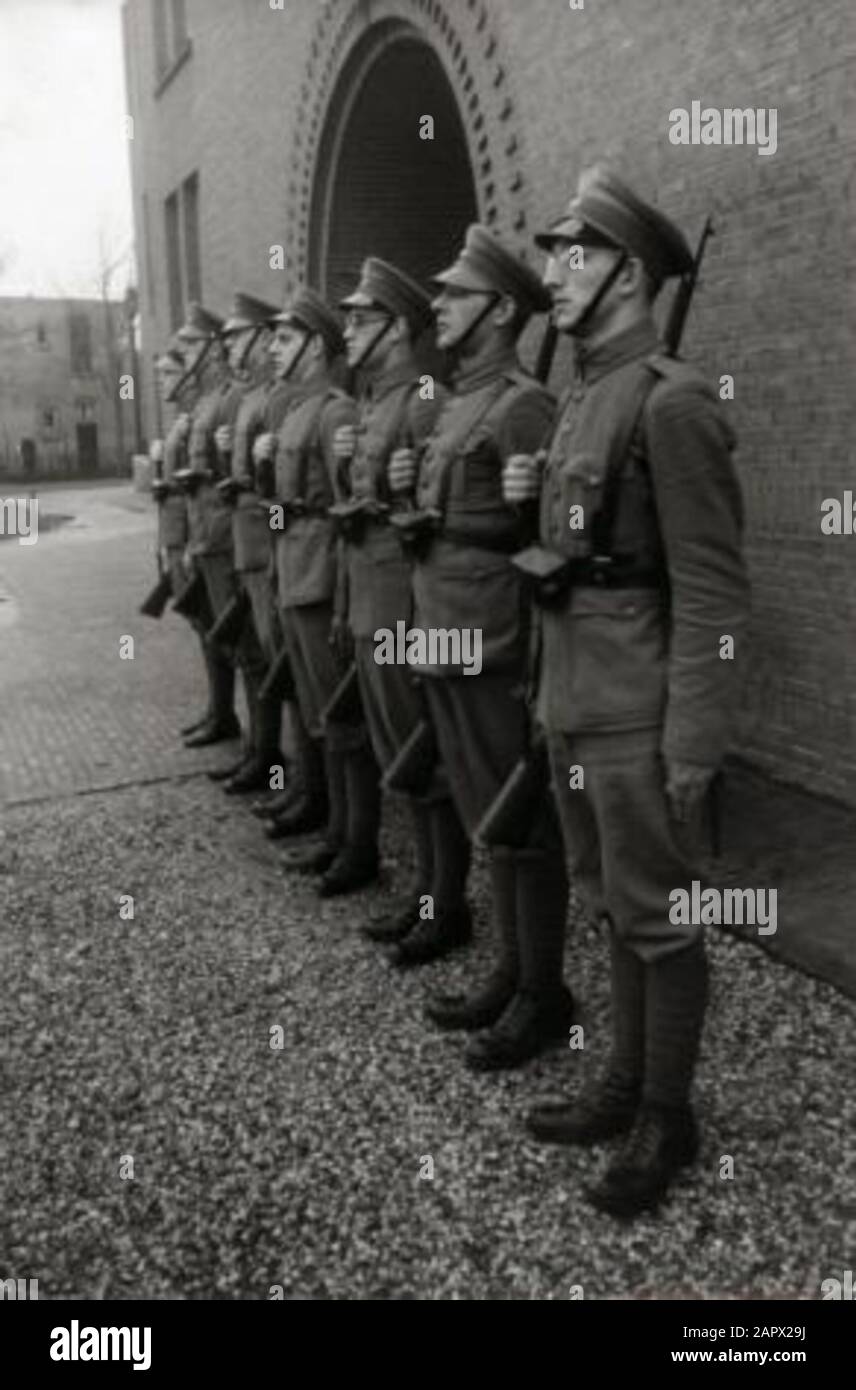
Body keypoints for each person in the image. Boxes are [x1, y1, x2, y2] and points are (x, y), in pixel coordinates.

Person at [509, 168, 748, 1215]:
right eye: (553, 251)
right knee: (610, 904)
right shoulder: (584, 393)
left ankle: (668, 1115)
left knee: (661, 917)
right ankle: (620, 1084)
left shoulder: (673, 400)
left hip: (638, 711)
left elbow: (712, 587)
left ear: (631, 271)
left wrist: (694, 738)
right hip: (571, 700)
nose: (553, 272)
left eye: (576, 253)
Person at [388, 225, 576, 1067]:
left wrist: (526, 504)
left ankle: (543, 990)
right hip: (443, 629)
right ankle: (510, 971)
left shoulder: (524, 404)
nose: (439, 305)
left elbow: (558, 537)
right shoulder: (461, 399)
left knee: (521, 819)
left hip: (493, 638)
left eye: (456, 295)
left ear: (500, 309)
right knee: (484, 813)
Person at [332, 257, 465, 938]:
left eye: (360, 320)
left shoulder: (422, 398)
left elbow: (438, 512)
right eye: (349, 320)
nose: (348, 331)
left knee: (422, 752)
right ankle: (425, 892)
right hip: (369, 596)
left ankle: (446, 904)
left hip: (402, 604)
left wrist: (404, 492)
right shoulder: (374, 400)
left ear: (396, 329)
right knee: (398, 755)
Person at [262, 286, 380, 898]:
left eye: (285, 339)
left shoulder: (335, 412)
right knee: (318, 717)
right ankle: (336, 830)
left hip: (323, 579)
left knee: (344, 720)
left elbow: (344, 513)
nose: (274, 349)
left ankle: (360, 843)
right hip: (295, 570)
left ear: (315, 346)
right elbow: (283, 507)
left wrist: (336, 597)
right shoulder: (294, 412)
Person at [211, 292, 293, 795]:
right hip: (246, 545)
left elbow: (285, 492)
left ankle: (277, 765)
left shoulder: (278, 398)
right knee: (255, 653)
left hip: (269, 548)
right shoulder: (248, 398)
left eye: (237, 336)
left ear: (261, 339)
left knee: (282, 665)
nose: (229, 346)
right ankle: (262, 754)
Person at [173, 302, 244, 749]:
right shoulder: (203, 403)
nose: (184, 353)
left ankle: (262, 751)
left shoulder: (231, 399)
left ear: (213, 349)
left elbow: (238, 476)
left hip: (224, 538)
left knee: (242, 644)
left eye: (191, 344)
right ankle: (222, 716)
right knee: (213, 631)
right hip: (205, 536)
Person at [149, 341, 213, 737]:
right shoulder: (179, 421)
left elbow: (197, 492)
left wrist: (190, 545)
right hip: (174, 535)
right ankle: (217, 710)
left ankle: (224, 714)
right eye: (158, 374)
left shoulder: (194, 420)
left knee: (211, 628)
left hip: (191, 538)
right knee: (200, 628)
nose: (161, 382)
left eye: (169, 373)